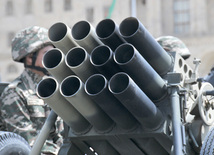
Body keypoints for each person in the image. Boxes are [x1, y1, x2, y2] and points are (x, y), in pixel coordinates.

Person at [0, 26, 63, 154]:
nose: (53, 58)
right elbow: (27, 143)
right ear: (30, 58)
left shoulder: (56, 89)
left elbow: (62, 136)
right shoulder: (14, 94)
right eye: (47, 54)